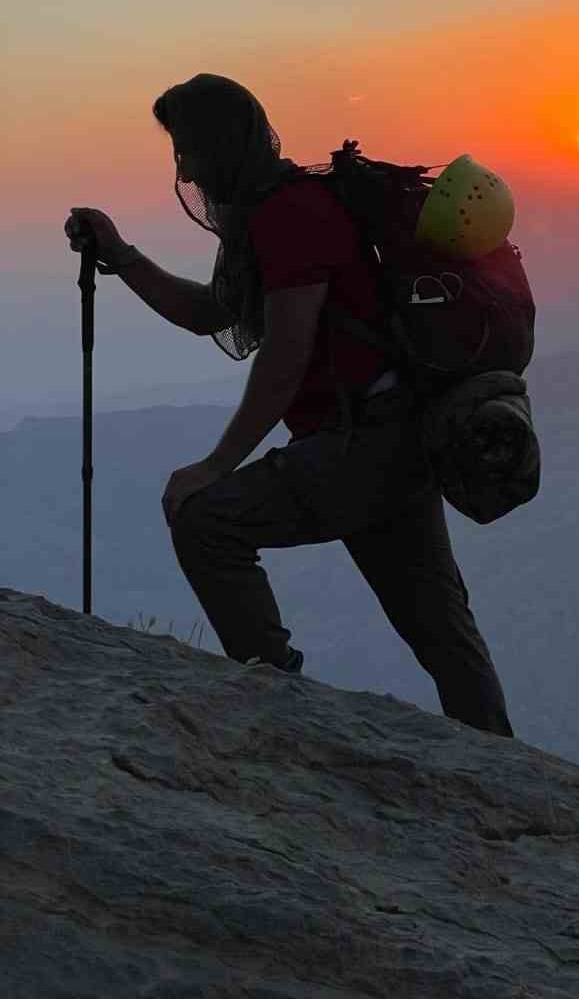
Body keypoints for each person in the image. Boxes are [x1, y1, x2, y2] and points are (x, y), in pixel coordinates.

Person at [65, 73, 512, 736]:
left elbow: (284, 357)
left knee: (205, 522)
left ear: (219, 145)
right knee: (440, 627)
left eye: (187, 149)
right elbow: (209, 313)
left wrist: (215, 467)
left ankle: (279, 713)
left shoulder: (288, 217)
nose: (182, 166)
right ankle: (496, 757)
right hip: (397, 435)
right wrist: (123, 256)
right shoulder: (272, 211)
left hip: (358, 445)